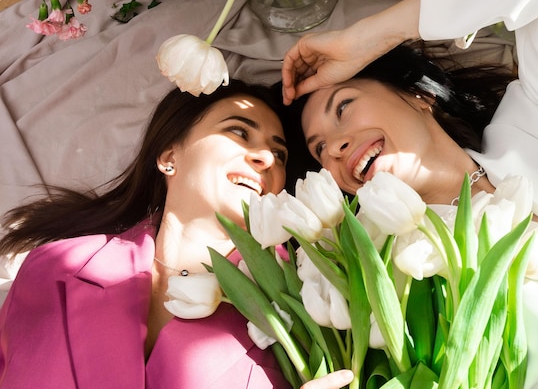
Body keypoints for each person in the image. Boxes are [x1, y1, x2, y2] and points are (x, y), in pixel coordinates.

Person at [282, 0, 538, 387]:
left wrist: (371, 36)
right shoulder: (398, 286)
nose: (335, 147)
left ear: (418, 96)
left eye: (344, 109)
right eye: (320, 150)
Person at [0, 80, 353, 389]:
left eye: (279, 153)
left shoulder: (309, 307)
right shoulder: (55, 267)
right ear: (169, 155)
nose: (266, 158)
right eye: (239, 132)